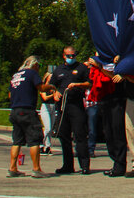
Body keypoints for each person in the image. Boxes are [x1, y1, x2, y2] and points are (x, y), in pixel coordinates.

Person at [7, 56, 55, 178]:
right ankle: (36, 168)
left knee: (17, 141)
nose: (39, 69)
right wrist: (51, 87)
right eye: (39, 66)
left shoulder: (16, 75)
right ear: (34, 65)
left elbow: (9, 94)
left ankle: (12, 168)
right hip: (27, 110)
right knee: (34, 140)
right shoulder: (32, 73)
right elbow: (41, 88)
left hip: (15, 110)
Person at [48, 46, 91, 175]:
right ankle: (67, 165)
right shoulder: (59, 70)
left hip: (76, 106)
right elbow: (51, 85)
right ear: (64, 56)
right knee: (64, 136)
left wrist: (77, 85)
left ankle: (84, 165)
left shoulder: (81, 68)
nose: (71, 58)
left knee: (80, 135)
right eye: (69, 56)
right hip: (62, 107)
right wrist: (54, 92)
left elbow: (89, 83)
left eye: (73, 55)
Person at [87, 56, 126, 178]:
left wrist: (100, 67)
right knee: (108, 133)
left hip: (117, 99)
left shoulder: (120, 64)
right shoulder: (100, 62)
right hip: (104, 100)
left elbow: (113, 77)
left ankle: (120, 164)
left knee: (117, 131)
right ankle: (115, 161)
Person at [38, 85, 55, 155]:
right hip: (45, 107)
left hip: (53, 107)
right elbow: (45, 98)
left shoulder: (54, 88)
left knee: (50, 130)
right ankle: (40, 145)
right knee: (48, 128)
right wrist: (54, 94)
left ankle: (48, 146)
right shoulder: (43, 88)